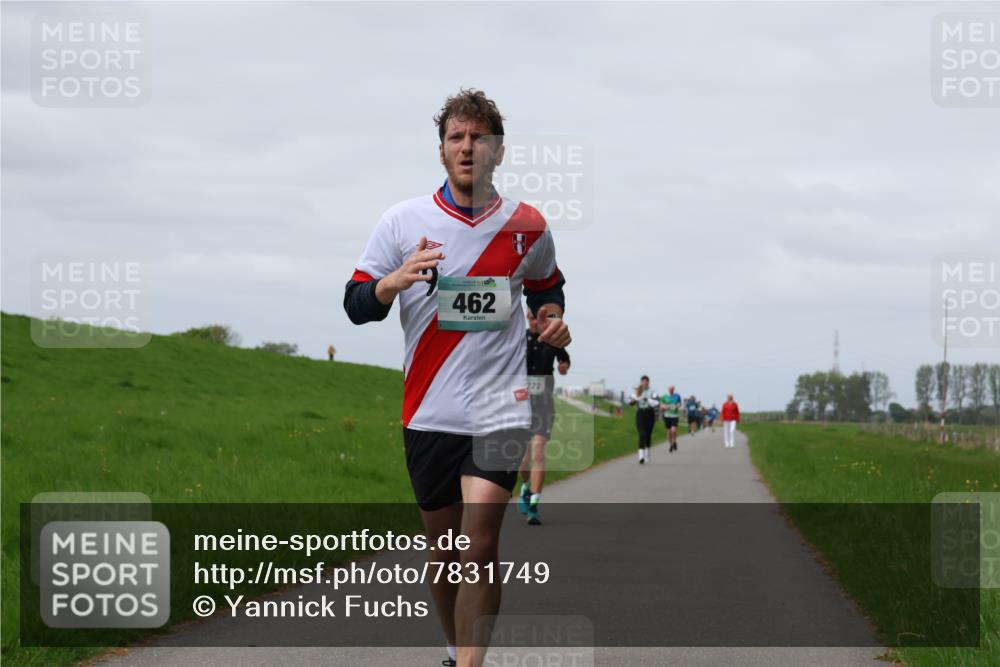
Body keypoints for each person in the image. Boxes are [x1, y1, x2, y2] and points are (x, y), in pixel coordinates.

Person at [343, 89, 570, 667]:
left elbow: (547, 287)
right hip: (427, 412)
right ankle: (453, 649)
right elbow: (355, 302)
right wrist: (393, 282)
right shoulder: (402, 221)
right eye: (456, 138)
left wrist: (552, 320)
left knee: (481, 544)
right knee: (442, 553)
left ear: (497, 150)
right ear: (441, 151)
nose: (467, 148)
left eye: (478, 138)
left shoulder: (528, 225)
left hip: (500, 408)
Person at [518, 307, 570, 525]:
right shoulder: (519, 339)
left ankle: (534, 505)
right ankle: (526, 487)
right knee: (523, 459)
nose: (533, 322)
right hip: (521, 404)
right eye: (530, 318)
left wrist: (563, 366)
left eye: (537, 319)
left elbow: (565, 359)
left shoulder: (552, 339)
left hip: (543, 404)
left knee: (538, 451)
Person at [627, 375, 658, 464]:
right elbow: (630, 402)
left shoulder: (652, 392)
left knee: (648, 435)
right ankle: (641, 456)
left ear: (648, 382)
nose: (644, 383)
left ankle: (647, 453)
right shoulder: (637, 391)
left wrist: (647, 399)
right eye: (643, 381)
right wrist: (634, 401)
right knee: (642, 434)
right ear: (641, 382)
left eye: (646, 382)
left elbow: (656, 403)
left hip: (650, 414)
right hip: (640, 414)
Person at [659, 384, 682, 452]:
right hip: (667, 416)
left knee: (673, 430)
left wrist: (677, 406)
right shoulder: (664, 397)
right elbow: (661, 406)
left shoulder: (677, 396)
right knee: (669, 431)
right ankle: (671, 444)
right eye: (670, 389)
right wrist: (665, 407)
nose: (671, 390)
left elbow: (679, 404)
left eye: (672, 389)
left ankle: (674, 441)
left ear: (674, 389)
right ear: (668, 389)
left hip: (674, 416)